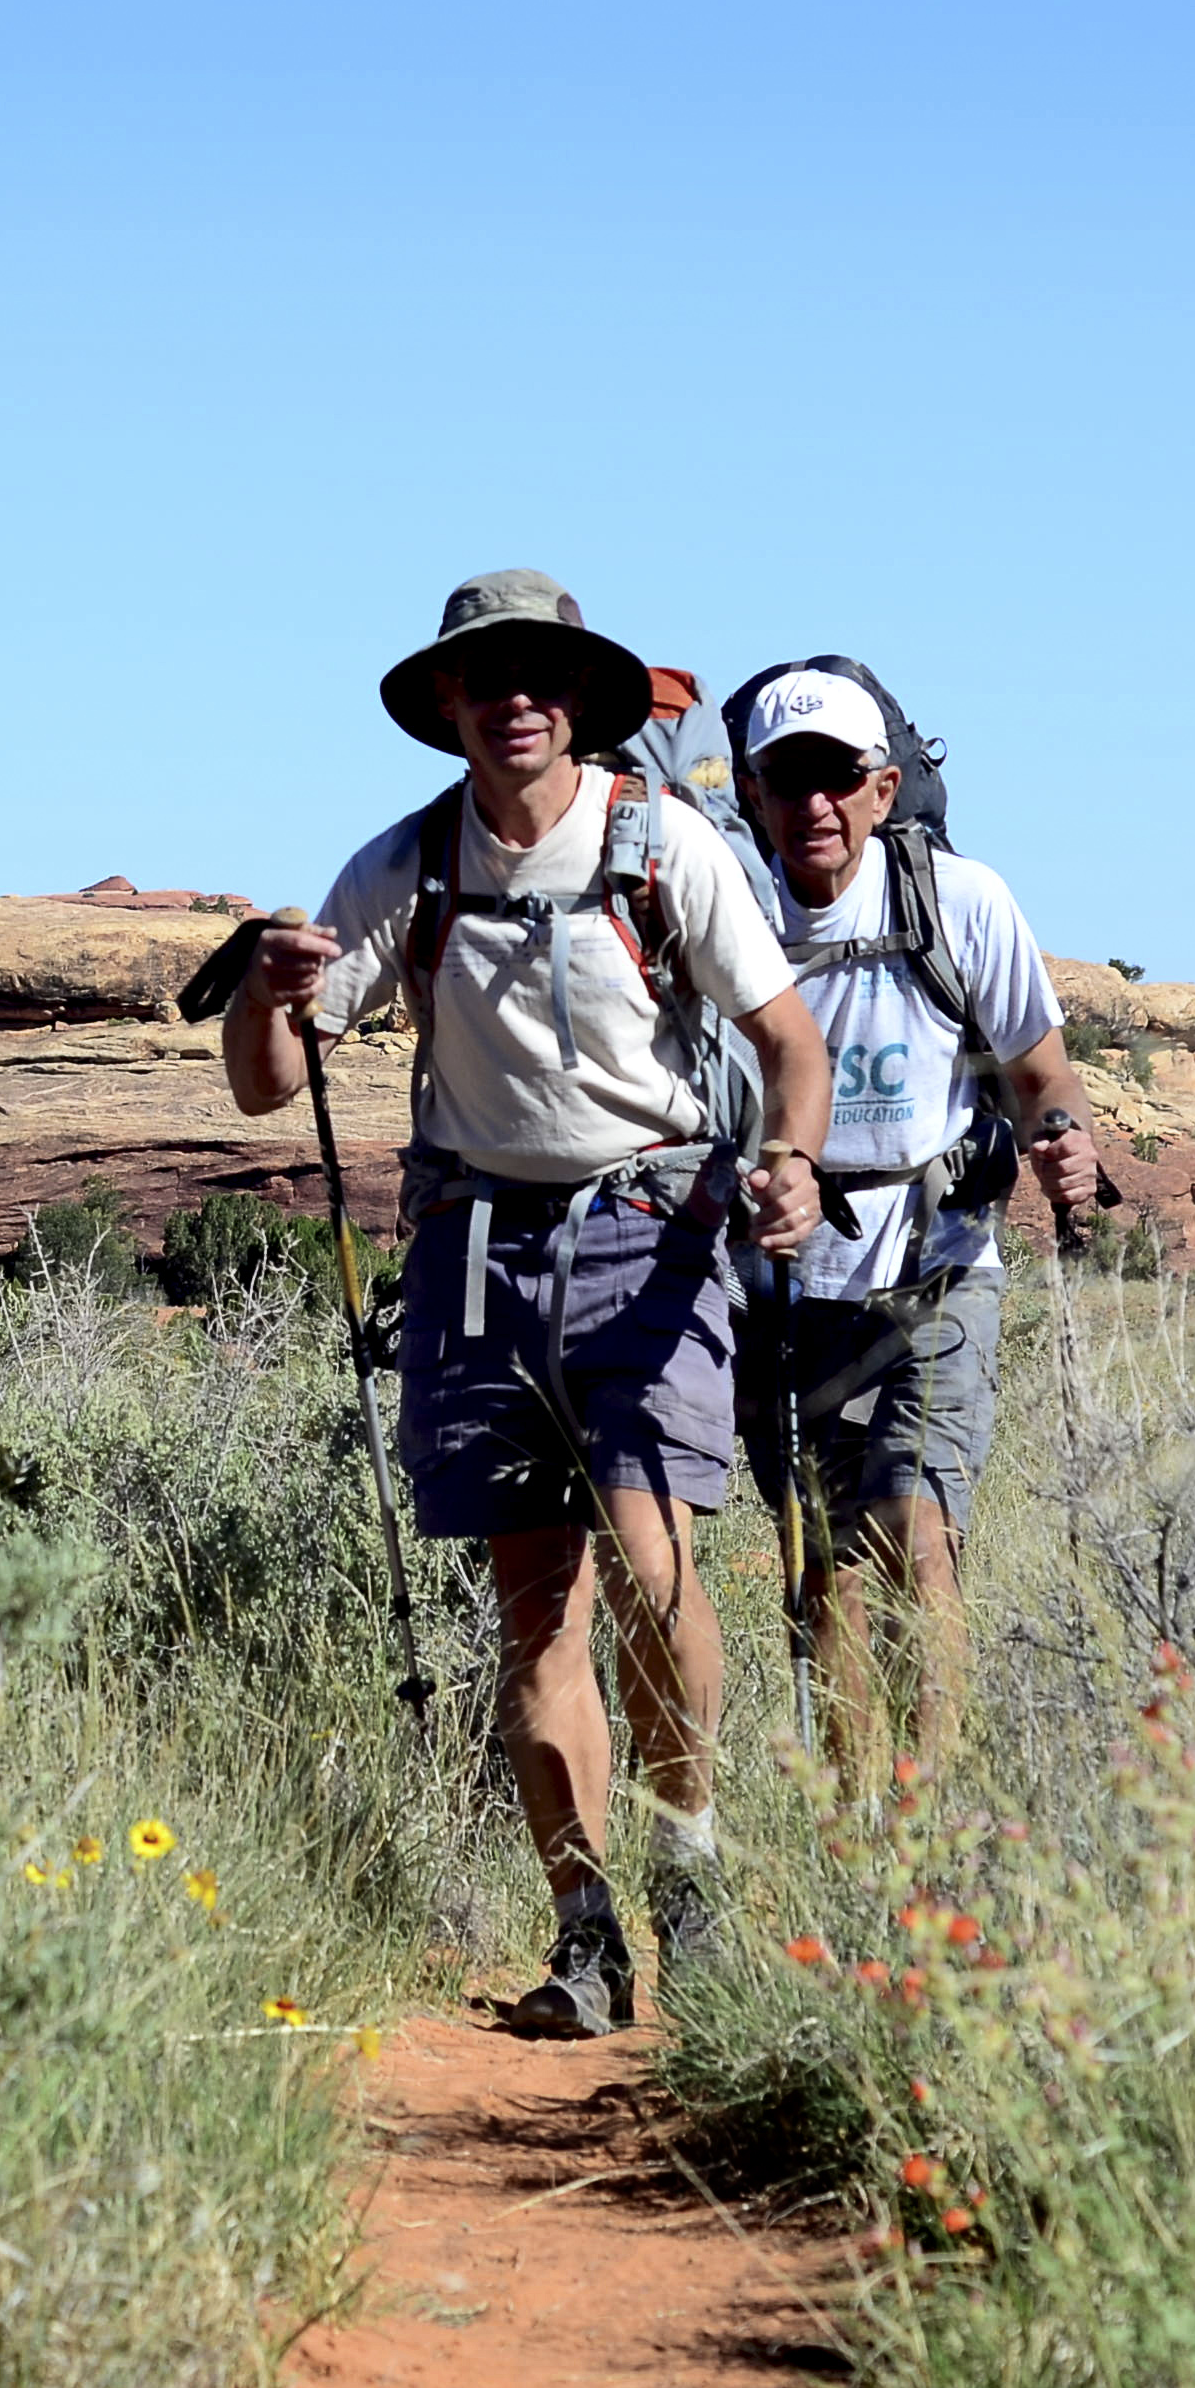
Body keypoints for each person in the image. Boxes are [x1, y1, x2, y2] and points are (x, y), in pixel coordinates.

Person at [222, 571, 831, 2038]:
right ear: (445, 705)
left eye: (541, 678)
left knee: (652, 1566)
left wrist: (793, 1162)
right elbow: (268, 1084)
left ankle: (688, 1874)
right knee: (532, 1602)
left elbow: (786, 1042)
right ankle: (587, 1936)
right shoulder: (402, 866)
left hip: (646, 1231)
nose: (516, 701)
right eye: (486, 679)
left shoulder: (660, 844)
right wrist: (266, 988)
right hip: (474, 1252)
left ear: (581, 702)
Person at [731, 662, 1100, 1763]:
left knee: (916, 1530)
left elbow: (1044, 1078)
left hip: (937, 1268)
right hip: (783, 1288)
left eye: (837, 779)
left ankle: (928, 1822)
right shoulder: (723, 912)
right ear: (750, 792)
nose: (813, 807)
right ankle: (860, 1842)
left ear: (882, 789)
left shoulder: (959, 903)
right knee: (831, 1560)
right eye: (786, 780)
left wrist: (1063, 1144)